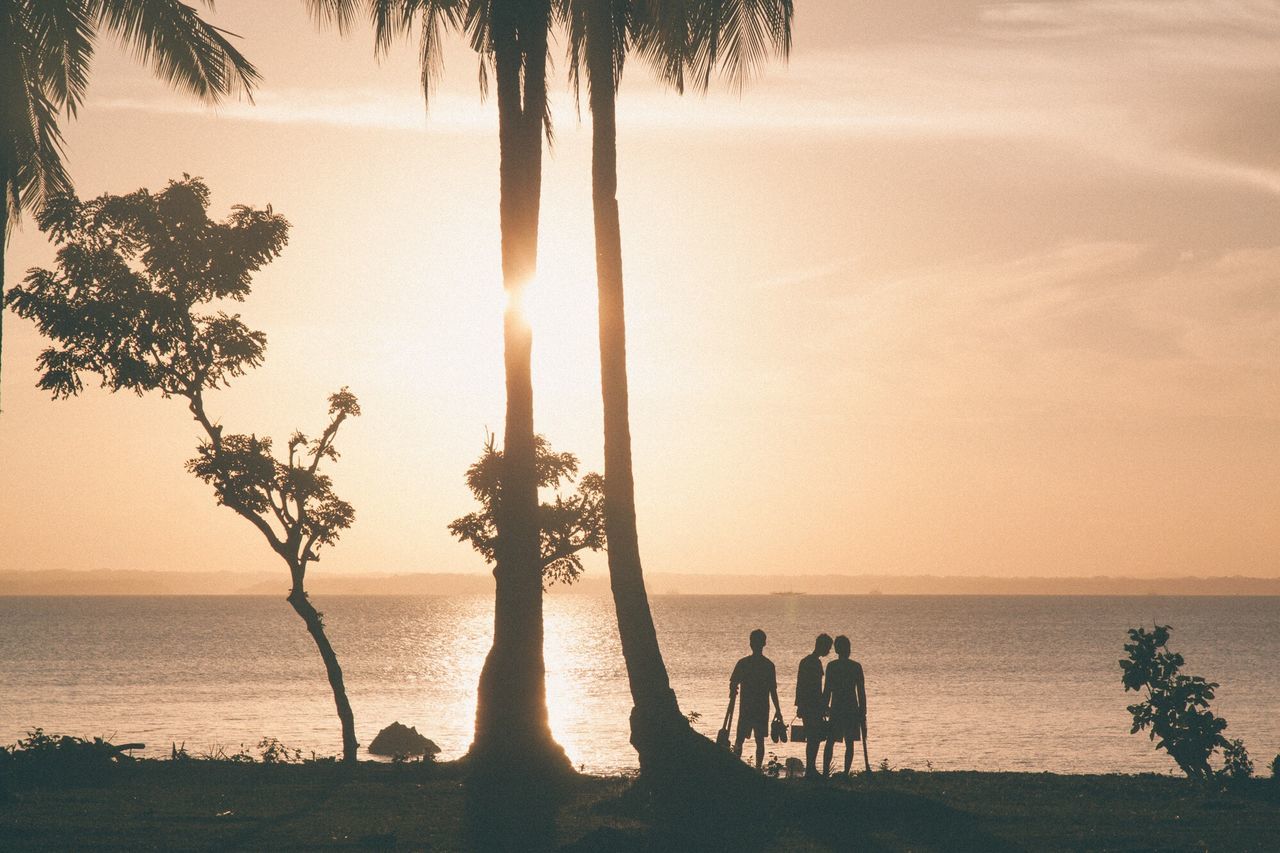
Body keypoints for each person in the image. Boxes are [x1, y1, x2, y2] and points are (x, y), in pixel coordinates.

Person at [729, 628, 783, 769]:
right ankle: (758, 768)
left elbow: (733, 682)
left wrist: (733, 689)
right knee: (759, 740)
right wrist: (778, 710)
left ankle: (736, 766)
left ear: (750, 644)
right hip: (760, 709)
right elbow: (773, 691)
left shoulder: (744, 663)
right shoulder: (768, 666)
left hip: (747, 708)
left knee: (740, 738)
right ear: (764, 643)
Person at [822, 634, 867, 777]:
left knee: (830, 742)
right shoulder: (855, 667)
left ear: (836, 650)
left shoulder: (832, 666)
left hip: (837, 708)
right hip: (851, 708)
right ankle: (846, 773)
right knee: (849, 742)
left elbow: (827, 690)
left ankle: (825, 772)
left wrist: (824, 707)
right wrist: (862, 711)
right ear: (848, 649)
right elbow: (861, 691)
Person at [795, 633, 833, 778]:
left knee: (813, 737)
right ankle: (811, 769)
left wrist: (799, 705)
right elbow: (813, 687)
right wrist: (822, 705)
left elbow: (800, 685)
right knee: (813, 738)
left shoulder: (806, 661)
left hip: (808, 705)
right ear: (822, 646)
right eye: (828, 647)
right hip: (812, 705)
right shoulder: (814, 663)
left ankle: (811, 768)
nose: (829, 651)